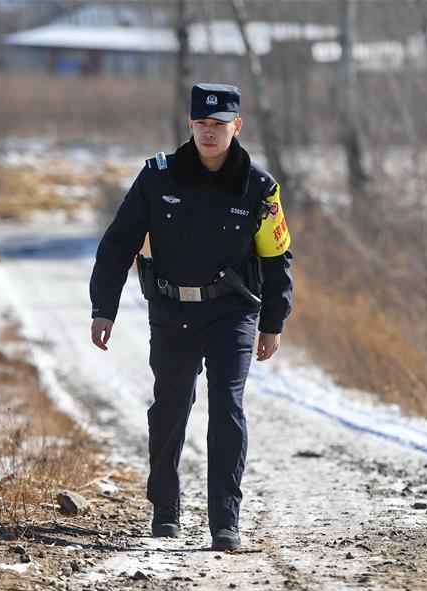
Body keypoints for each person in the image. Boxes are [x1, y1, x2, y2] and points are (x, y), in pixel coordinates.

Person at [89, 83, 292, 551]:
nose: (209, 133)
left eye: (219, 126)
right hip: (172, 310)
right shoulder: (158, 178)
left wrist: (274, 321)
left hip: (233, 313)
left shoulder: (259, 188)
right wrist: (104, 308)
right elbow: (118, 242)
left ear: (236, 128)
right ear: (190, 125)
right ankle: (166, 508)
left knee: (227, 407)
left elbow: (278, 257)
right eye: (201, 124)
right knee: (170, 408)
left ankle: (226, 520)